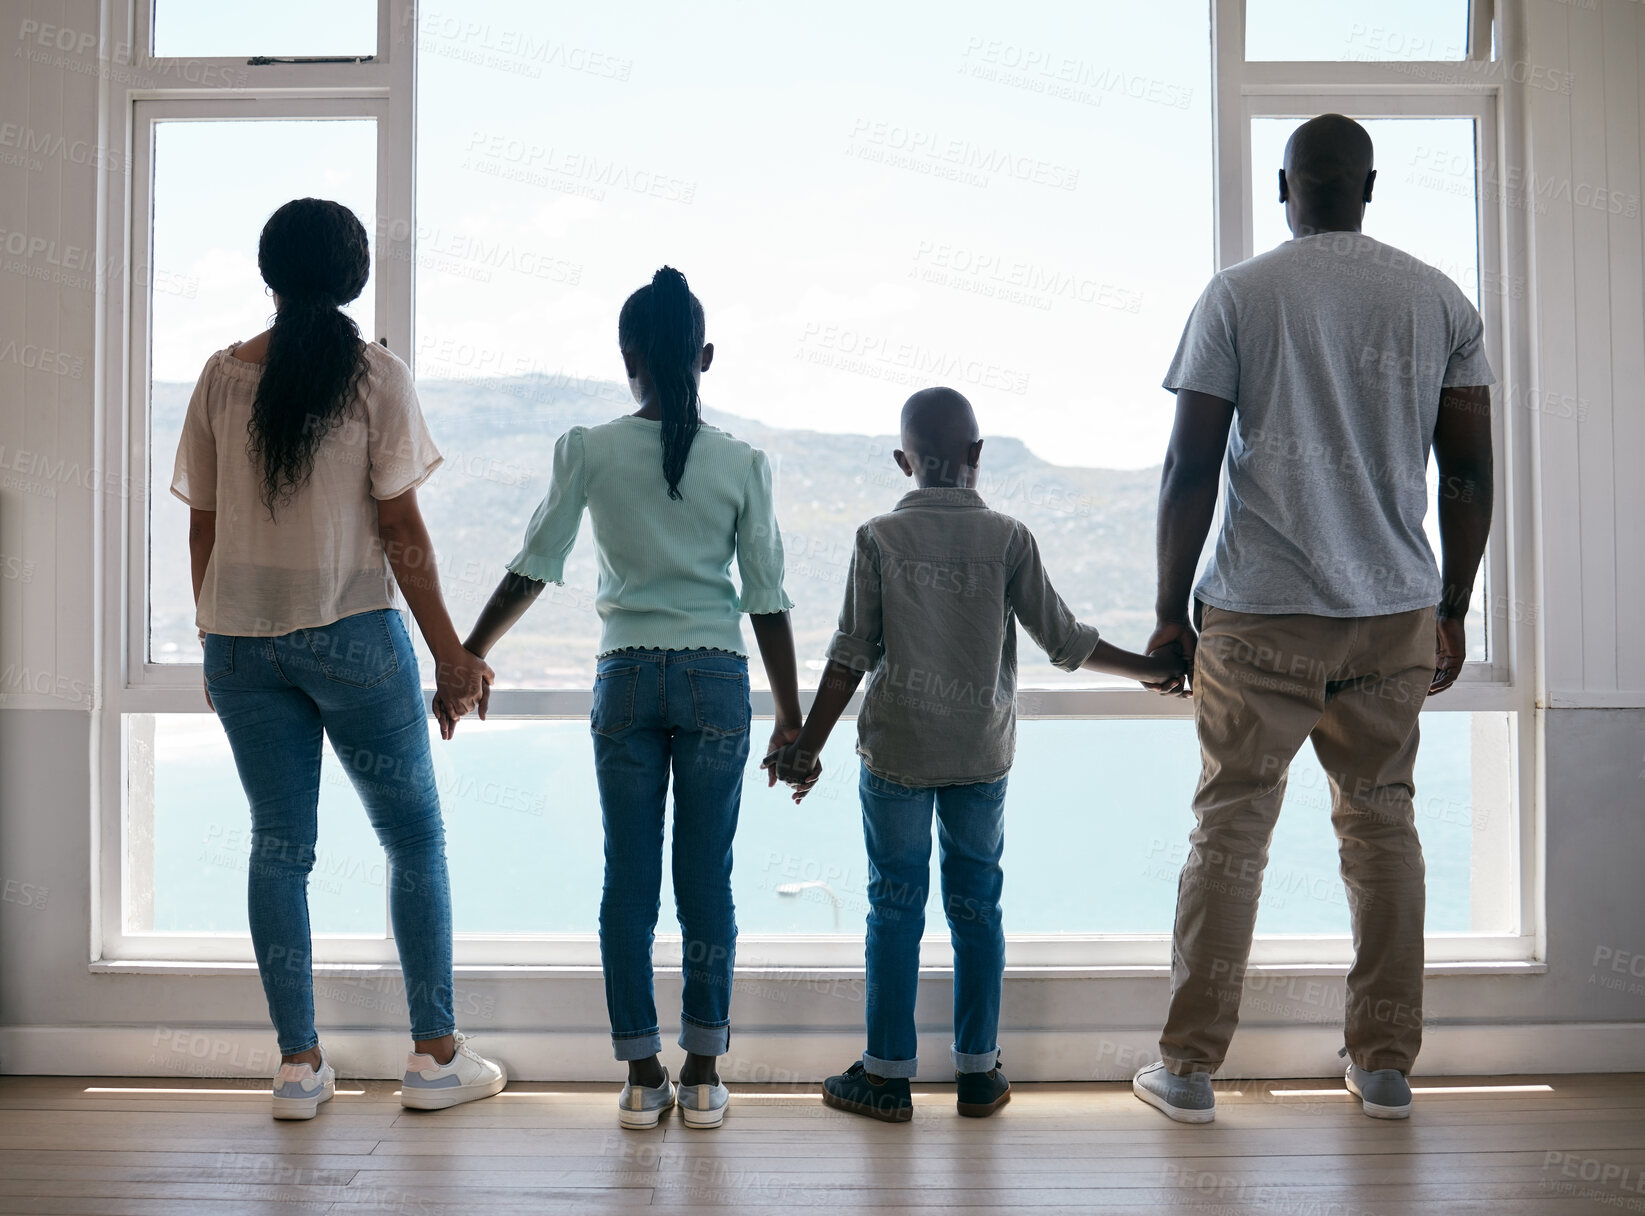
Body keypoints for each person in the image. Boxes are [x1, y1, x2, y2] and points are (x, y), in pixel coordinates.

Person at [1130, 114, 1495, 1124]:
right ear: (1366, 186)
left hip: (1258, 615)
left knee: (1229, 829)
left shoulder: (1239, 294)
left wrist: (1168, 614)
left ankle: (1190, 1070)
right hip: (1393, 612)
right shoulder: (1438, 299)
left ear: (1288, 187)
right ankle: (1382, 1067)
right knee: (1382, 827)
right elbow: (1465, 471)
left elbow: (1188, 465)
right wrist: (1453, 607)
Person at [172, 198, 506, 1121]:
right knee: (413, 839)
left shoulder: (217, 377)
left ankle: (296, 1068)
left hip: (243, 644)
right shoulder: (374, 376)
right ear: (352, 277)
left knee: (279, 849)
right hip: (353, 632)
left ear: (270, 273)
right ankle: (435, 1055)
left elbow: (202, 524)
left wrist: (215, 633)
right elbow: (399, 527)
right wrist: (451, 655)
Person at [769, 387, 1186, 1123]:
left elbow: (847, 657)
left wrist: (806, 749)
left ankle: (887, 1075)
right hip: (980, 753)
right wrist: (1154, 670)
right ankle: (978, 1074)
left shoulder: (876, 538)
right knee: (977, 909)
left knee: (893, 909)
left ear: (904, 461)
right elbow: (1065, 641)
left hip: (896, 752)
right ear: (976, 456)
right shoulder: (1008, 537)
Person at [461, 266, 801, 1131]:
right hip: (717, 679)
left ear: (628, 359)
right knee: (706, 883)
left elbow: (533, 566)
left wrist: (468, 652)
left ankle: (642, 1074)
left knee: (628, 881)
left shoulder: (587, 448)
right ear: (705, 357)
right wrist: (793, 718)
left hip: (624, 677)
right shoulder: (742, 462)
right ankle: (704, 1073)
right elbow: (765, 598)